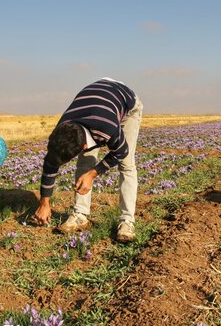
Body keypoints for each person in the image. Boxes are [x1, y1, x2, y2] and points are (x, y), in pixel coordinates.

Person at [34, 78, 143, 243]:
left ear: (84, 145)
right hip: (94, 104)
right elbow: (50, 164)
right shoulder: (62, 130)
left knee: (126, 164)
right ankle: (80, 214)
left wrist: (93, 174)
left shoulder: (107, 128)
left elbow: (121, 152)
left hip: (127, 104)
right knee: (84, 162)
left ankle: (127, 221)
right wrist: (44, 202)